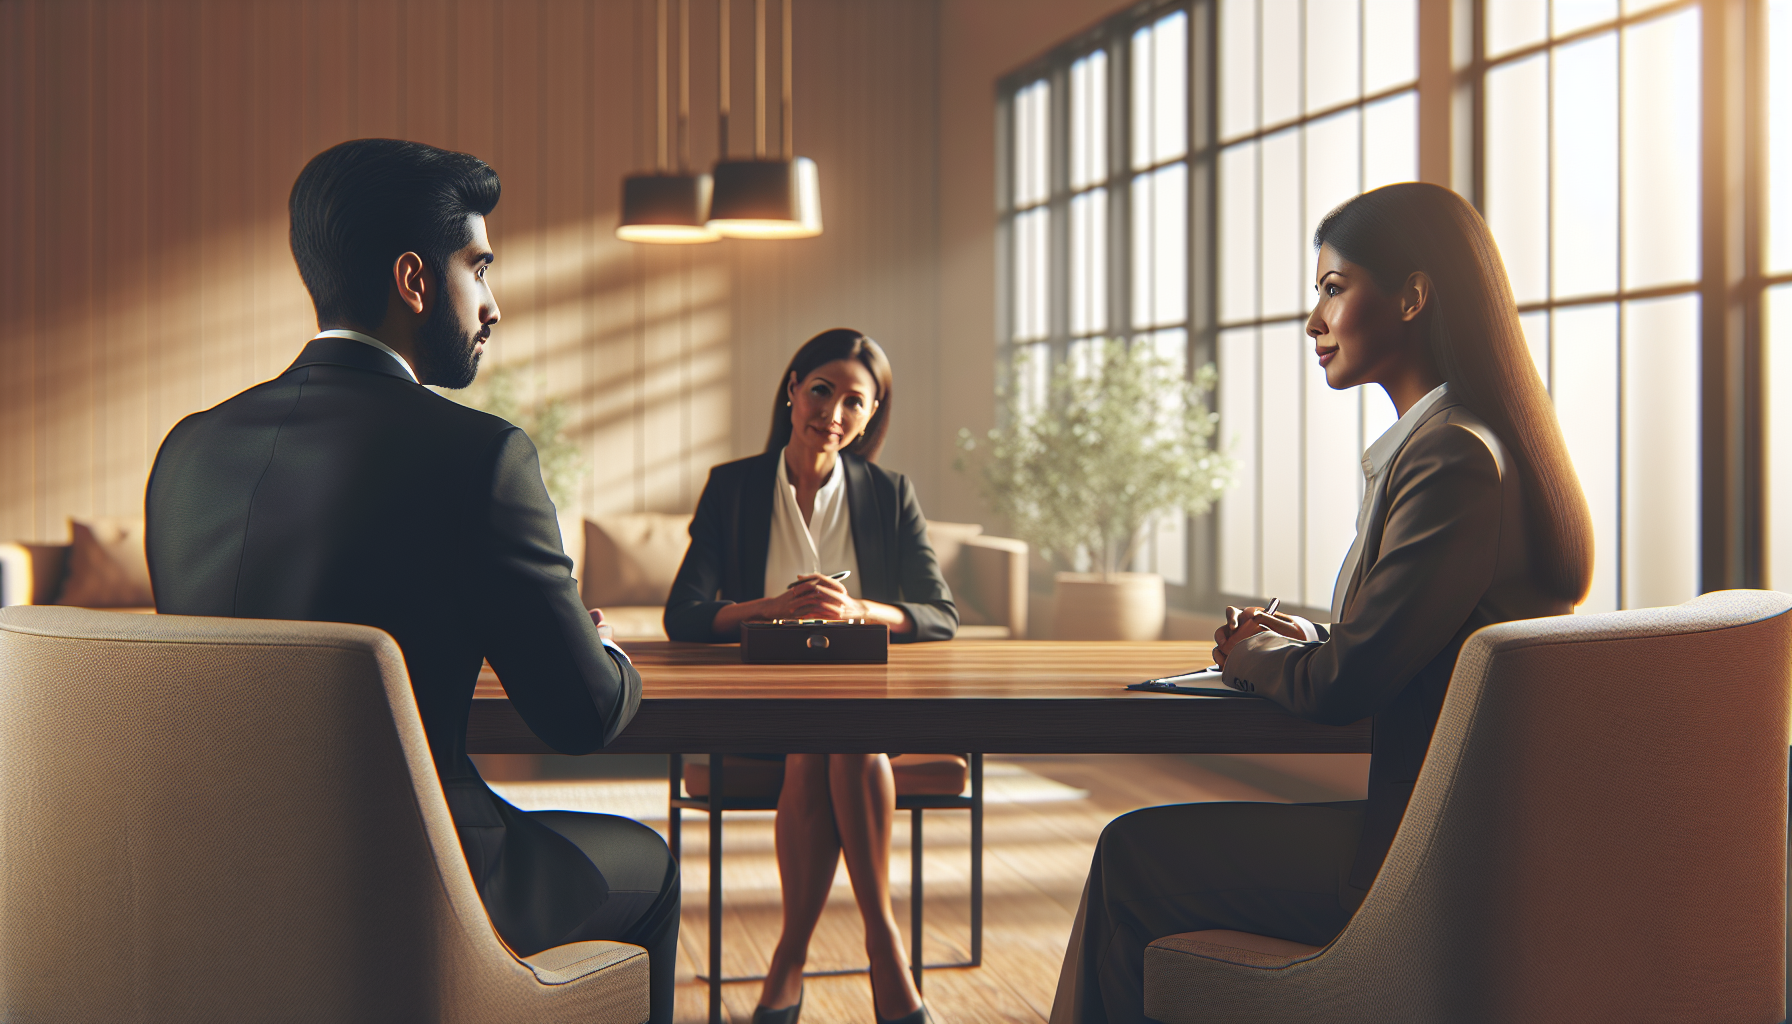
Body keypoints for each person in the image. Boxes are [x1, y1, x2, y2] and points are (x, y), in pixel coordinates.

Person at [144, 139, 681, 1023]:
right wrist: (606, 647)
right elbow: (579, 717)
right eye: (479, 266)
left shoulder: (188, 451)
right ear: (414, 279)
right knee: (648, 866)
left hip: (214, 882)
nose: (493, 305)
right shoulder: (481, 456)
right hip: (417, 879)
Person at [1049, 182, 1596, 1023]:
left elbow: (1346, 686)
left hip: (1423, 863)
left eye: (1334, 289)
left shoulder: (1450, 458)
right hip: (1468, 836)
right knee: (1142, 847)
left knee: (1132, 853)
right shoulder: (1464, 442)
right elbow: (1405, 642)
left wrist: (1255, 655)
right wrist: (1309, 636)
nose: (1314, 320)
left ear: (1412, 295)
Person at [664, 328, 957, 1024]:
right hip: (759, 706)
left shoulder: (889, 493)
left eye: (856, 401)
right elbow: (684, 613)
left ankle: (789, 963)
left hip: (861, 709)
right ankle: (886, 949)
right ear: (792, 388)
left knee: (831, 739)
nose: (833, 413)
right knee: (827, 737)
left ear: (871, 415)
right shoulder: (732, 487)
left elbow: (938, 613)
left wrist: (861, 610)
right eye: (821, 390)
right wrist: (771, 610)